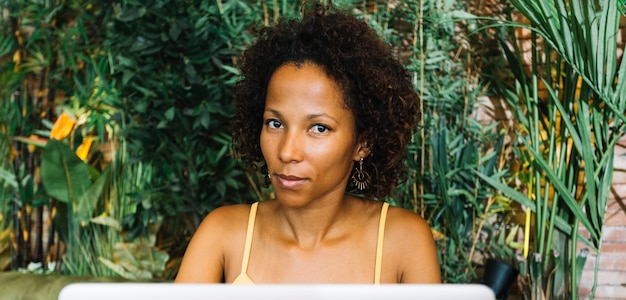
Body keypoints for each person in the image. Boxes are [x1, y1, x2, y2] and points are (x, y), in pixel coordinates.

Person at [175, 2, 441, 284]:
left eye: (318, 128)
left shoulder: (403, 241)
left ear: (363, 143)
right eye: (275, 124)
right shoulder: (223, 234)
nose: (287, 152)